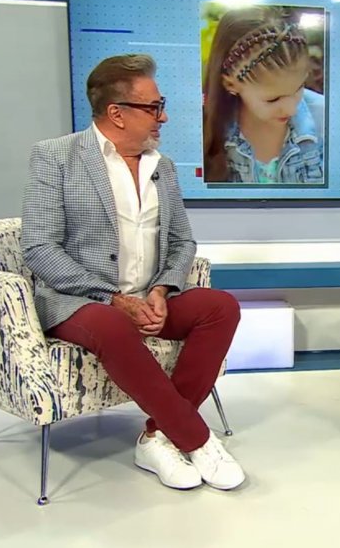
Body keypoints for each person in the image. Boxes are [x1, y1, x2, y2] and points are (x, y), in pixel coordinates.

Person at [21, 54, 245, 491]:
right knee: (112, 324)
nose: (164, 117)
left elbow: (182, 241)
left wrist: (161, 289)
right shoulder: (56, 158)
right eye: (154, 107)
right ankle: (197, 440)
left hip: (148, 298)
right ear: (117, 113)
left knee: (220, 307)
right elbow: (39, 247)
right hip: (81, 303)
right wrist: (112, 298)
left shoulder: (163, 166)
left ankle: (157, 437)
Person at [202, 5, 325, 184]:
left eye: (299, 88)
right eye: (273, 99)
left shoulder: (327, 119)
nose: (291, 109)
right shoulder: (205, 130)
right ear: (230, 84)